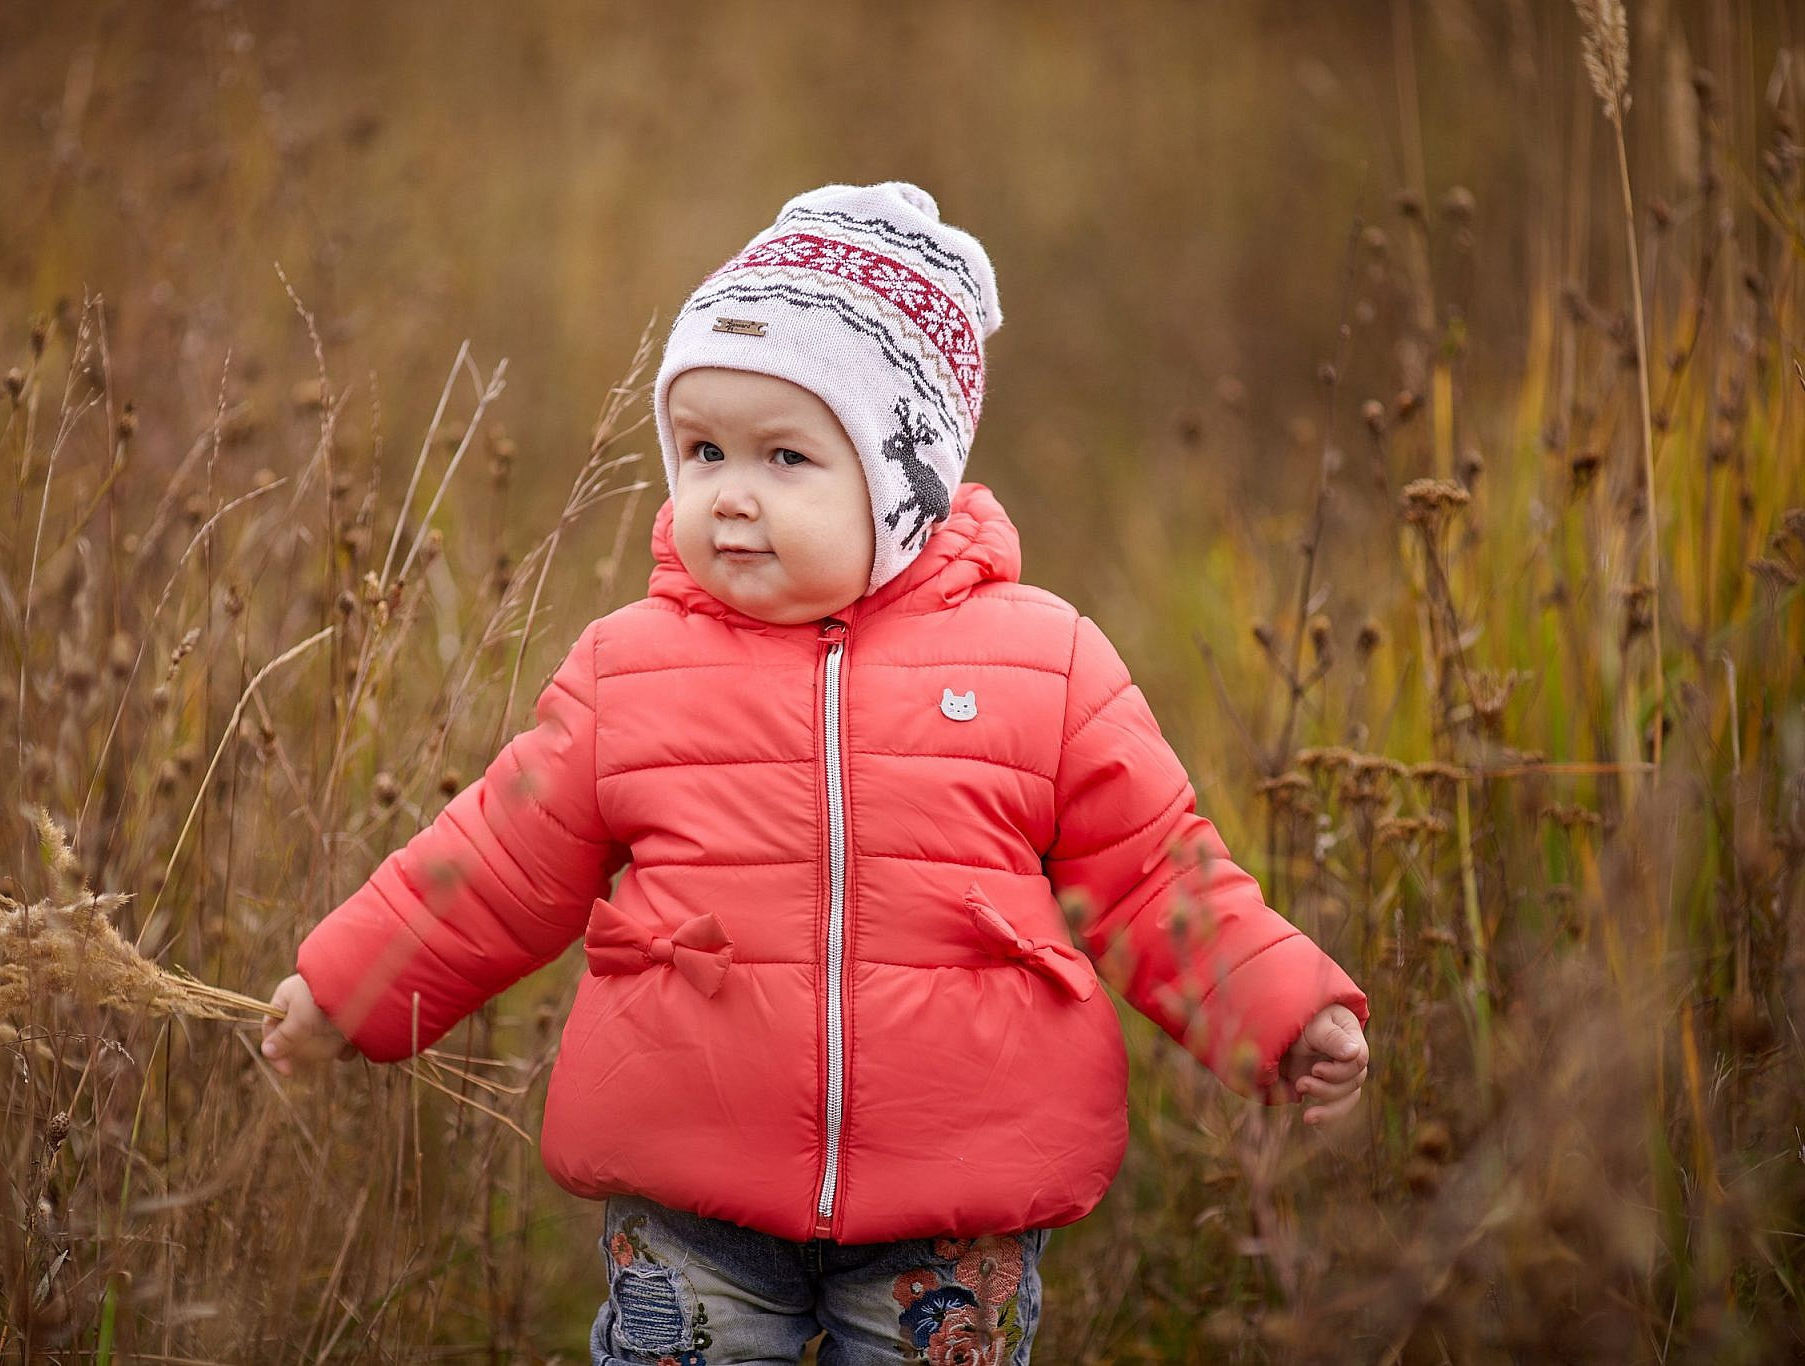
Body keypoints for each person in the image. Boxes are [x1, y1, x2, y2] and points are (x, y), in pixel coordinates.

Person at [261, 181, 1371, 1365]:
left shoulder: (1040, 662)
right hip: (694, 1193)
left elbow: (1152, 875)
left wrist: (1278, 1012)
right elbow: (492, 862)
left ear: (906, 483)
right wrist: (349, 987)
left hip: (953, 1206)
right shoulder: (629, 670)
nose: (728, 492)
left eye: (785, 454)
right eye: (700, 450)